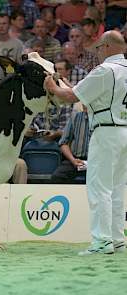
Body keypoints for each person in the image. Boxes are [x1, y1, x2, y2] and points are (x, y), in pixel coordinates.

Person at [44, 30, 127, 255]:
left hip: (106, 132)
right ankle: (118, 239)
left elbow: (72, 96)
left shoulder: (104, 70)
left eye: (99, 48)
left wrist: (52, 87)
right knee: (119, 190)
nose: (98, 52)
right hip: (124, 132)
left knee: (100, 189)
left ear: (107, 46)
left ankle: (102, 242)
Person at [51, 105, 91, 184]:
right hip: (74, 159)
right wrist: (72, 160)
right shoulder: (75, 117)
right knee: (57, 176)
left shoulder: (103, 120)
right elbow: (63, 143)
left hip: (95, 162)